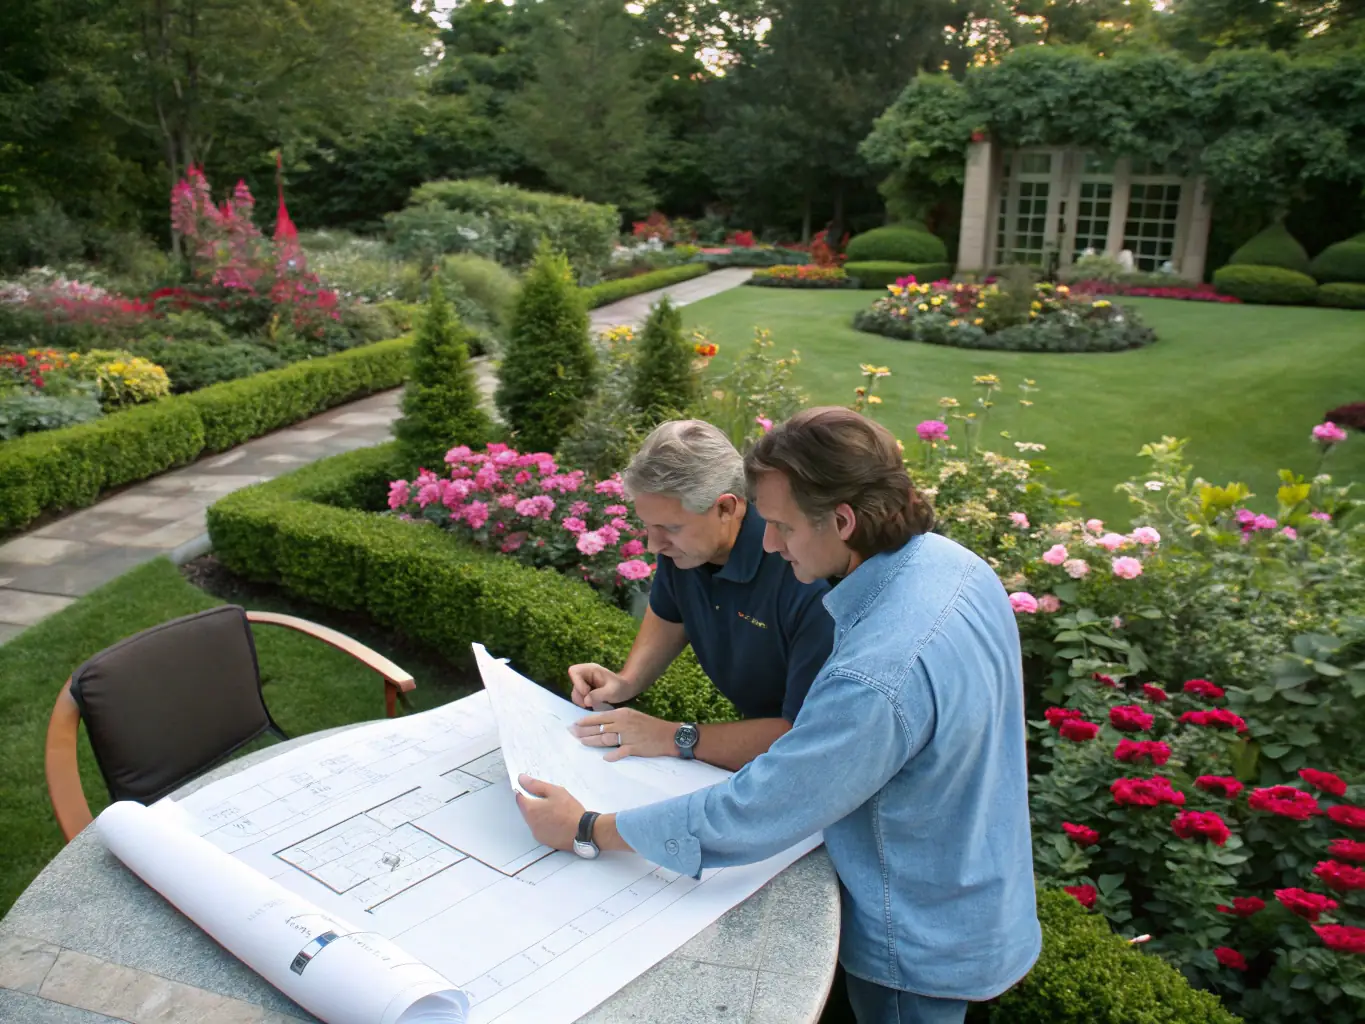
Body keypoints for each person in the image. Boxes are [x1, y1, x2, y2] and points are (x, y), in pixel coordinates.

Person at [517, 407, 1041, 1024]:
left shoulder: (874, 677)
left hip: (913, 933)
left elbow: (757, 809)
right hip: (974, 883)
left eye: (782, 527)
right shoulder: (955, 565)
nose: (767, 543)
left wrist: (589, 828)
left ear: (842, 520)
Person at [567, 419, 835, 771]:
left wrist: (671, 736)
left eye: (670, 528)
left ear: (727, 508)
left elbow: (802, 737)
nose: (654, 545)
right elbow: (670, 615)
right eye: (648, 526)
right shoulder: (686, 551)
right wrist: (624, 682)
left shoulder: (805, 575)